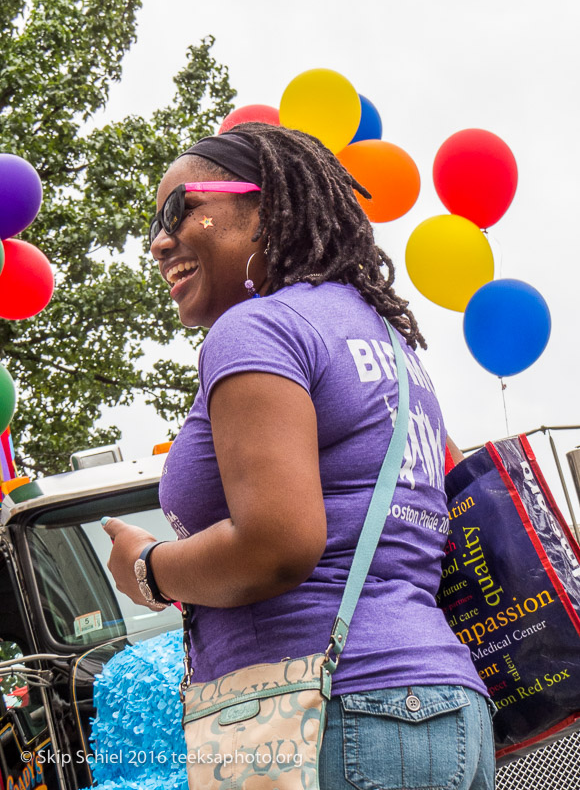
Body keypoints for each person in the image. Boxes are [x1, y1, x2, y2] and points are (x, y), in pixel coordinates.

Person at [104, 122, 495, 789]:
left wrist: (147, 569)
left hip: (320, 716)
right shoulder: (391, 346)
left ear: (266, 209)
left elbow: (277, 545)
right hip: (442, 707)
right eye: (155, 226)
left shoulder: (257, 328)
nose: (160, 240)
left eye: (182, 209)